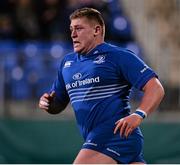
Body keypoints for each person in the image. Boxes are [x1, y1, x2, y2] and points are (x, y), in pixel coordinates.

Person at [39, 7, 165, 164]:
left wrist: (138, 114)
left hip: (116, 135)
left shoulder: (118, 56)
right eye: (71, 29)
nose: (73, 34)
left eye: (78, 28)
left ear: (96, 30)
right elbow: (57, 103)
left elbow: (155, 87)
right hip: (104, 138)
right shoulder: (67, 63)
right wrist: (48, 103)